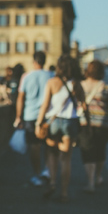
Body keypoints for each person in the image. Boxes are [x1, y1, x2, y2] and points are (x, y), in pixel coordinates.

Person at [35, 55, 89, 203]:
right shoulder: (76, 84)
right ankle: (64, 193)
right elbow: (84, 105)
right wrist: (87, 122)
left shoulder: (51, 82)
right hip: (70, 122)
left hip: (53, 122)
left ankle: (53, 183)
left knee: (52, 154)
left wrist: (39, 123)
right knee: (66, 158)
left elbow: (45, 105)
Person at [78, 60, 108, 193]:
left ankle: (90, 183)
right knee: (100, 150)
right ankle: (97, 177)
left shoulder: (80, 86)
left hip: (85, 123)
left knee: (87, 151)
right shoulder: (106, 87)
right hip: (104, 124)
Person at [14, 51, 53, 186]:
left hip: (30, 116)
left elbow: (20, 98)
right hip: (47, 116)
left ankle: (37, 174)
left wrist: (18, 117)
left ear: (34, 62)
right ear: (44, 61)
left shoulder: (26, 77)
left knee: (34, 147)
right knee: (48, 144)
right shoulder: (51, 76)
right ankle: (47, 171)